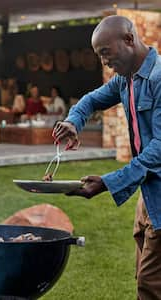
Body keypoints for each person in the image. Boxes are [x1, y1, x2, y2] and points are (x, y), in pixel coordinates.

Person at [52, 15, 161, 299]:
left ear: (129, 39)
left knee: (150, 285)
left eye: (105, 53)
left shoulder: (159, 79)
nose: (104, 62)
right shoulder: (125, 80)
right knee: (144, 273)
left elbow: (159, 150)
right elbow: (91, 100)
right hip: (149, 194)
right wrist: (74, 121)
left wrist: (109, 182)